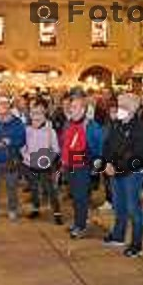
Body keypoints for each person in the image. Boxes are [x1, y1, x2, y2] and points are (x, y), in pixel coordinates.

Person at [103, 93, 143, 257]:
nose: (119, 108)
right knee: (119, 205)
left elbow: (137, 153)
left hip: (132, 172)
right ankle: (118, 235)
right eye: (119, 104)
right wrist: (108, 163)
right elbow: (108, 145)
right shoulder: (116, 124)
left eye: (123, 105)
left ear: (133, 108)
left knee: (133, 208)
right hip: (116, 170)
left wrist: (118, 167)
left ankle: (137, 244)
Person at [61, 90, 103, 238]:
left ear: (84, 109)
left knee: (81, 197)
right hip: (70, 165)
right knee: (75, 196)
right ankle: (78, 222)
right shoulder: (68, 123)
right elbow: (65, 143)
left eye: (75, 107)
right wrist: (64, 162)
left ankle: (81, 225)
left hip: (83, 166)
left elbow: (99, 146)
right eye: (71, 106)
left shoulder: (91, 126)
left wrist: (96, 165)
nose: (71, 109)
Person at [22, 100, 63, 224]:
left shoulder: (50, 130)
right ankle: (36, 208)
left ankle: (57, 212)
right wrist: (26, 156)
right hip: (30, 163)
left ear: (44, 114)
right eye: (34, 113)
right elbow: (22, 146)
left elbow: (56, 148)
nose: (36, 116)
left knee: (51, 189)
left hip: (47, 164)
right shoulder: (27, 130)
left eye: (39, 113)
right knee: (34, 187)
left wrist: (48, 158)